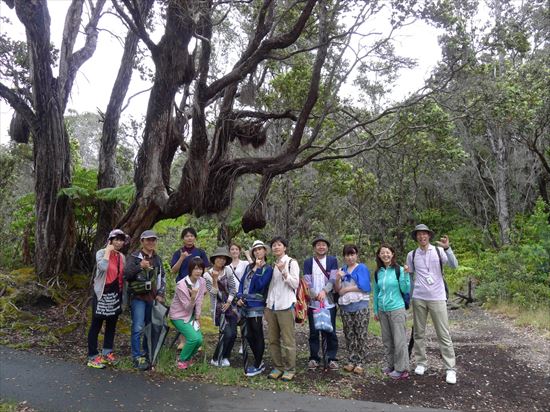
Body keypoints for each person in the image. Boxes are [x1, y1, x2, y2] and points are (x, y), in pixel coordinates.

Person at [406, 224, 458, 385]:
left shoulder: (438, 251)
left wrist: (448, 248)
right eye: (419, 235)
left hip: (437, 296)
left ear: (429, 235)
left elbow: (454, 265)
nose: (422, 237)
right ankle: (421, 362)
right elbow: (410, 275)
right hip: (419, 297)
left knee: (443, 333)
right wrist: (409, 296)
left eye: (424, 234)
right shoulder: (412, 254)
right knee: (419, 333)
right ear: (416, 237)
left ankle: (450, 368)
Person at [124, 230, 166, 371]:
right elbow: (127, 274)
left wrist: (160, 294)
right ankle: (136, 356)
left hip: (152, 298)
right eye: (148, 240)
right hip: (138, 298)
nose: (151, 242)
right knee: (138, 327)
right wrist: (139, 266)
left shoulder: (157, 259)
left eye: (153, 240)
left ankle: (147, 353)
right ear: (142, 241)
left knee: (149, 327)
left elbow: (162, 277)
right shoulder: (134, 257)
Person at [87, 229, 128, 368]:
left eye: (121, 240)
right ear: (110, 240)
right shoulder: (101, 253)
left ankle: (107, 352)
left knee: (111, 324)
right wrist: (108, 252)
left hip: (115, 294)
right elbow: (103, 267)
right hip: (102, 294)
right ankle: (92, 356)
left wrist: (123, 297)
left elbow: (122, 277)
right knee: (96, 324)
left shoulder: (122, 257)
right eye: (116, 239)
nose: (119, 242)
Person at [373, 244, 411, 380]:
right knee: (387, 340)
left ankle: (402, 369)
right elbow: (376, 292)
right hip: (383, 311)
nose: (385, 255)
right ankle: (391, 365)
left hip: (396, 309)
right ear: (379, 256)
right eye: (382, 253)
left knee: (399, 340)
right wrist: (376, 310)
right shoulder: (378, 272)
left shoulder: (399, 270)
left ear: (393, 254)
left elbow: (406, 289)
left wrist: (406, 275)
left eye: (388, 252)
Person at [265, 236, 300, 381]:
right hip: (271, 305)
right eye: (273, 245)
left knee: (288, 340)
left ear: (284, 247)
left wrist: (284, 272)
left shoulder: (292, 262)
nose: (276, 247)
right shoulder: (272, 264)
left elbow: (295, 284)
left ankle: (290, 369)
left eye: (279, 245)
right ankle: (278, 367)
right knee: (273, 339)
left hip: (285, 305)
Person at [236, 240, 273, 377]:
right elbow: (242, 282)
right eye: (255, 250)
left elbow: (260, 286)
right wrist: (239, 296)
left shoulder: (267, 269)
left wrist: (257, 270)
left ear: (264, 251)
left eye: (260, 249)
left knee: (257, 334)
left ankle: (258, 363)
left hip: (256, 304)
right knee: (248, 334)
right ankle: (259, 359)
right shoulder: (248, 267)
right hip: (244, 303)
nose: (258, 252)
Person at [303, 235, 339, 370]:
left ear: (327, 247)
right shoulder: (308, 262)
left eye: (324, 244)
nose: (321, 247)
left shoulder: (332, 260)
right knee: (313, 331)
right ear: (314, 247)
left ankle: (331, 358)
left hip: (328, 302)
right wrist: (314, 294)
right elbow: (307, 280)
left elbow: (333, 278)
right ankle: (314, 358)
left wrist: (324, 292)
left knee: (331, 330)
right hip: (313, 303)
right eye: (318, 245)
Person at [335, 244, 371, 375]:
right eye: (347, 255)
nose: (350, 257)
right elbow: (338, 290)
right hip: (345, 306)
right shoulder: (342, 270)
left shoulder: (361, 268)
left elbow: (365, 286)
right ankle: (351, 359)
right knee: (349, 333)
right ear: (344, 257)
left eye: (352, 254)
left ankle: (360, 361)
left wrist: (347, 289)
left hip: (360, 304)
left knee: (360, 333)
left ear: (356, 255)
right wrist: (338, 278)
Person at [169, 257, 207, 370]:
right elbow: (186, 307)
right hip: (178, 316)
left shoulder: (202, 281)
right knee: (193, 338)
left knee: (199, 340)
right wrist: (193, 297)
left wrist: (197, 317)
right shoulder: (181, 285)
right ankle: (181, 360)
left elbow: (200, 301)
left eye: (200, 269)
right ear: (190, 269)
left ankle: (188, 358)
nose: (198, 271)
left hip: (191, 316)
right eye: (195, 269)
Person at [204, 247, 238, 367]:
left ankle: (225, 356)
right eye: (219, 258)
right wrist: (214, 279)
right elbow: (213, 293)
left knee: (233, 333)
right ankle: (215, 358)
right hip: (219, 309)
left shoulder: (227, 271)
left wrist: (229, 302)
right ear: (214, 259)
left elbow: (233, 288)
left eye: (224, 258)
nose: (222, 260)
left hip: (231, 306)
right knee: (225, 333)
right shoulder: (207, 275)